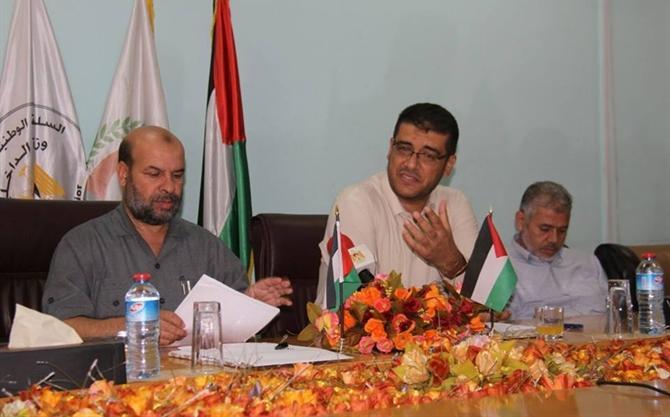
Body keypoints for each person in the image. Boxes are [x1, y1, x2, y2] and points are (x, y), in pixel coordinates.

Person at [42, 126, 292, 345]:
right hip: (117, 379)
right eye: (154, 174)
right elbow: (59, 328)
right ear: (123, 174)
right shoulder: (82, 245)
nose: (169, 187)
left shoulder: (206, 246)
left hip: (199, 381)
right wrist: (131, 327)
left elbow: (235, 334)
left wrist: (249, 305)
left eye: (177, 175)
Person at [314, 103, 478, 307]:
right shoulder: (356, 202)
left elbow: (486, 305)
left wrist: (450, 262)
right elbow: (359, 306)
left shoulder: (455, 204)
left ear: (449, 165)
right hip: (359, 328)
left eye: (428, 156)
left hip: (431, 329)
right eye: (404, 149)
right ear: (390, 148)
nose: (411, 164)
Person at [507, 181, 607, 319]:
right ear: (521, 221)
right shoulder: (500, 270)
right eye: (545, 229)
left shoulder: (588, 263)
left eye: (562, 231)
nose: (554, 239)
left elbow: (616, 317)